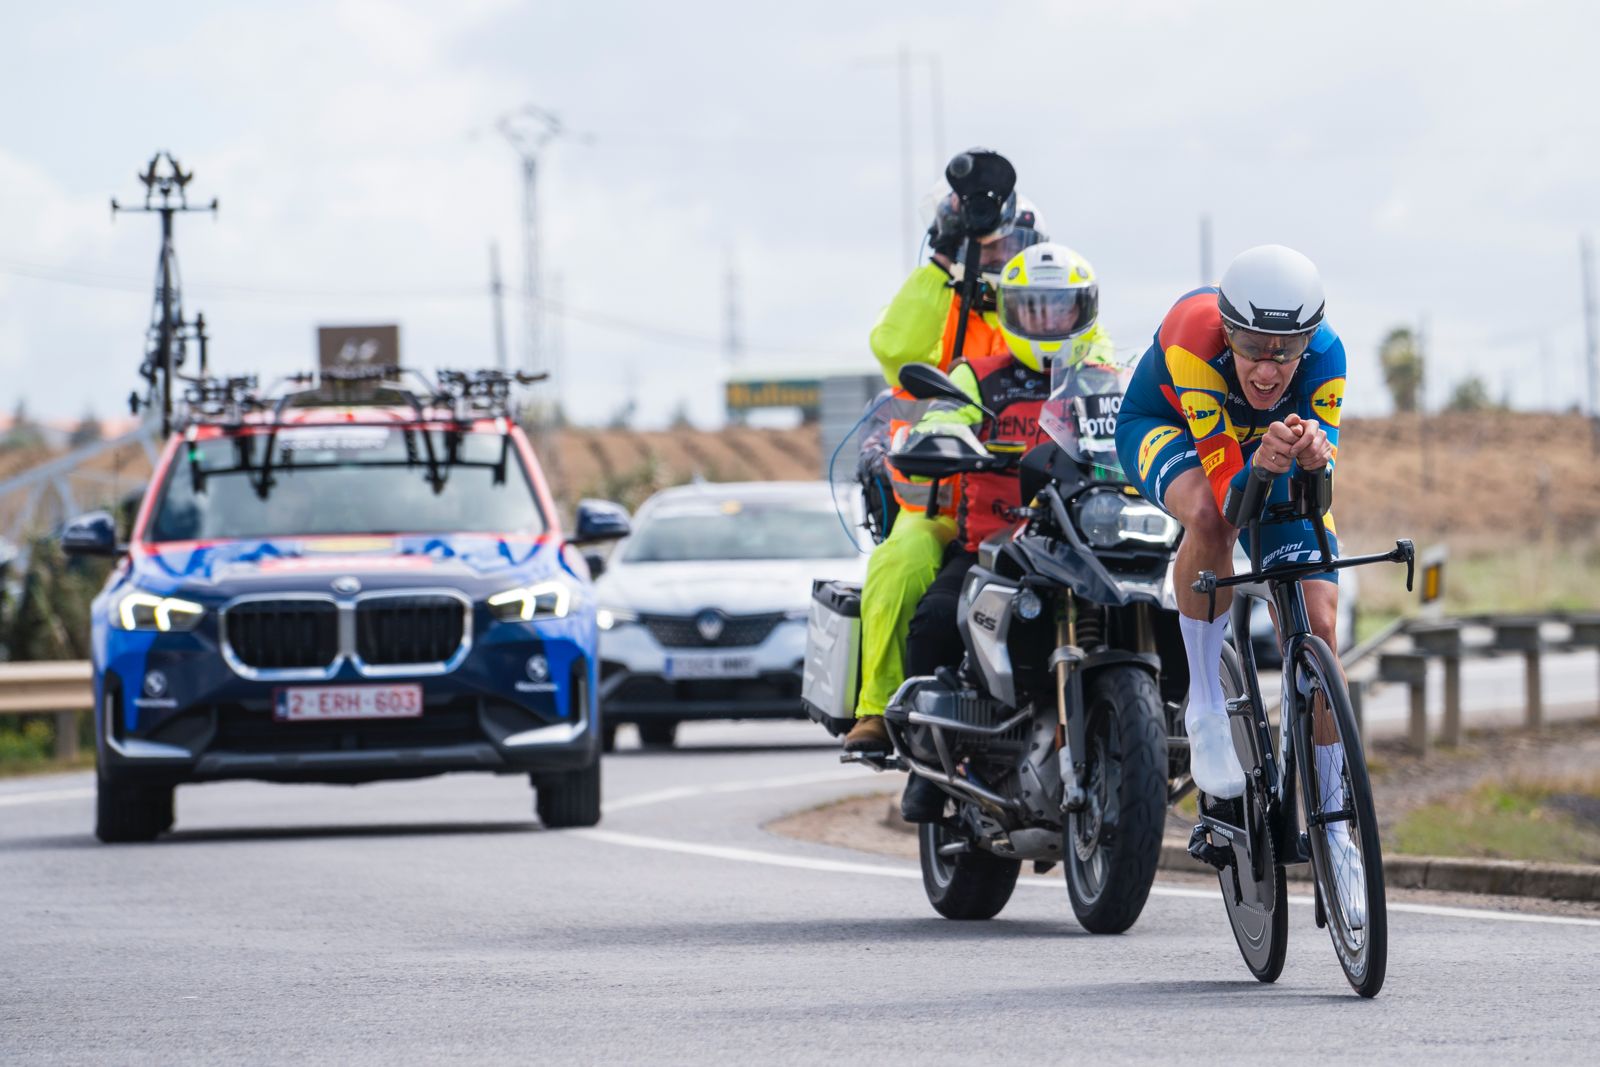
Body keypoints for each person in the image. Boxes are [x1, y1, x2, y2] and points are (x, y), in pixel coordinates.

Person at [1112, 244, 1362, 922]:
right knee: (1210, 520)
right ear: (1228, 330)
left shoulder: (1330, 357)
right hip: (1168, 428)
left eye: (1286, 350)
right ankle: (1204, 706)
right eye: (1252, 346)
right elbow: (1230, 496)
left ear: (1309, 341)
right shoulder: (1195, 341)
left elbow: (1316, 486)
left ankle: (1338, 826)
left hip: (1262, 448)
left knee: (1321, 621)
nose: (1267, 366)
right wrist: (1267, 459)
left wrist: (1312, 459)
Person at [895, 242, 1113, 817]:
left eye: (1060, 309)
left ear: (1084, 310)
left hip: (1089, 544)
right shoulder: (978, 375)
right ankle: (928, 766)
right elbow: (943, 413)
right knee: (937, 616)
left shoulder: (1105, 378)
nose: (1047, 322)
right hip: (998, 545)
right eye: (1034, 309)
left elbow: (1150, 422)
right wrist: (940, 437)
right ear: (1010, 313)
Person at [841, 189, 1047, 753]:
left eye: (1012, 247)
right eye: (988, 248)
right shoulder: (945, 305)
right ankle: (884, 711)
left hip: (1047, 505)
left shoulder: (1048, 314)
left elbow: (1098, 370)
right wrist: (943, 261)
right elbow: (894, 346)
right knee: (900, 563)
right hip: (946, 506)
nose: (1000, 259)